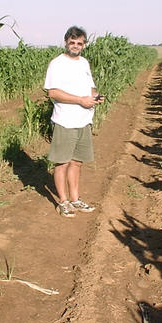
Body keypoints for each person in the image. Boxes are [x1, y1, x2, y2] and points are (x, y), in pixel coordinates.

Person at [43, 26, 104, 217]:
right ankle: (63, 202)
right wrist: (80, 100)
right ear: (66, 42)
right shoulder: (57, 64)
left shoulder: (84, 63)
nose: (76, 46)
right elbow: (52, 92)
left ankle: (76, 200)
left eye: (80, 43)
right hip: (65, 121)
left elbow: (90, 88)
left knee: (77, 162)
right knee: (62, 163)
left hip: (84, 121)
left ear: (84, 45)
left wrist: (95, 96)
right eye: (72, 42)